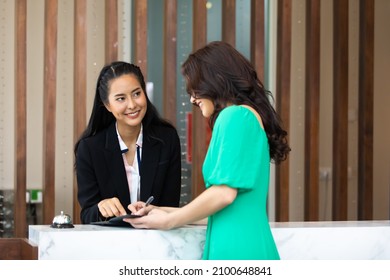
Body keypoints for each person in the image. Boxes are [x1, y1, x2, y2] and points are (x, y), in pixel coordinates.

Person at [125, 41, 291, 260]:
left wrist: (168, 220)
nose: (193, 99)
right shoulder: (246, 117)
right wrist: (160, 211)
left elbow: (223, 194)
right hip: (243, 243)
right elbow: (218, 213)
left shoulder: (234, 117)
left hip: (237, 250)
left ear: (215, 80)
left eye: (195, 89)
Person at [74, 61, 181, 224]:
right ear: (107, 105)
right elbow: (87, 215)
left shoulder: (166, 139)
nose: (132, 105)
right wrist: (101, 208)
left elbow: (170, 206)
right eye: (121, 98)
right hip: (111, 244)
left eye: (137, 94)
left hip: (156, 240)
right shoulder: (89, 149)